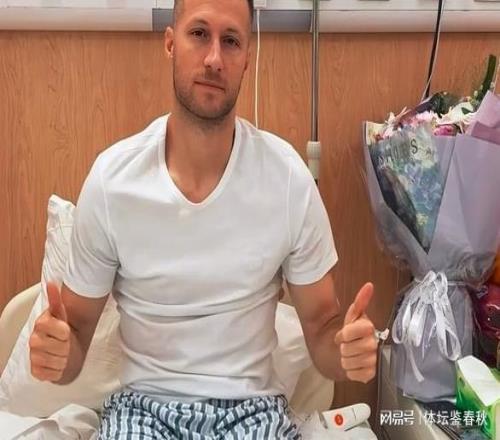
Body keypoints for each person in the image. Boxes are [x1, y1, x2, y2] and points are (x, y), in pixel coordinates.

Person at [28, 0, 379, 438]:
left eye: (230, 41)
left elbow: (322, 329)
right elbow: (76, 334)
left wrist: (345, 352)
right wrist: (57, 354)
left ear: (247, 58)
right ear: (170, 44)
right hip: (143, 412)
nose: (214, 58)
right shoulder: (113, 180)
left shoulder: (286, 178)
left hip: (254, 414)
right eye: (198, 34)